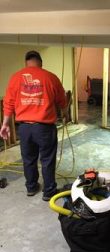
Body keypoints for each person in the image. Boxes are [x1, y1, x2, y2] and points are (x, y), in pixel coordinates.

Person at [0, 50, 69, 201]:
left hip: (24, 128)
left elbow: (8, 103)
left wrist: (5, 124)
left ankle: (31, 187)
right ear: (41, 62)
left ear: (26, 63)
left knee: (28, 159)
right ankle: (49, 191)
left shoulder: (15, 78)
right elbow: (62, 101)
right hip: (44, 128)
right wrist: (65, 114)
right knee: (47, 159)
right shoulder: (50, 77)